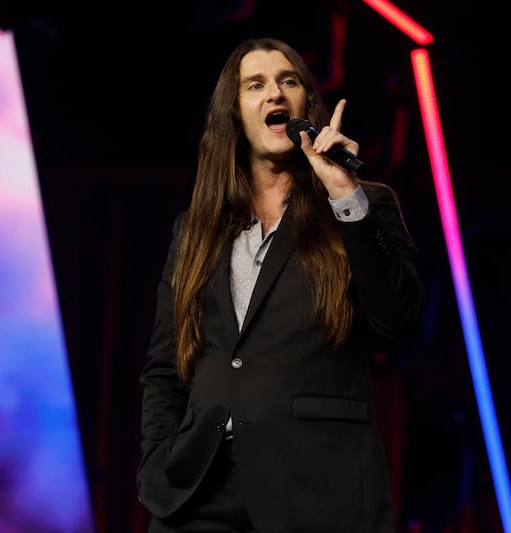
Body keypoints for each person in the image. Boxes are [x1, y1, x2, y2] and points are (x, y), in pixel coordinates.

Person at [137, 37, 425, 532]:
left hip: (316, 490)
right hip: (198, 493)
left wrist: (344, 194)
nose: (275, 93)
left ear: (305, 107)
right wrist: (157, 461)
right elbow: (166, 366)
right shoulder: (196, 230)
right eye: (256, 84)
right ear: (234, 113)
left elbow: (400, 321)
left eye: (288, 81)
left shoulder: (361, 205)